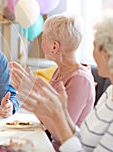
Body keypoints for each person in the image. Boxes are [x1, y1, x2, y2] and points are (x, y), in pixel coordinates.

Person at [14, 15, 113, 151]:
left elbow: (60, 134)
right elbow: (78, 136)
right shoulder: (109, 93)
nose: (93, 53)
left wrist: (33, 100)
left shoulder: (81, 79)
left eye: (43, 39)